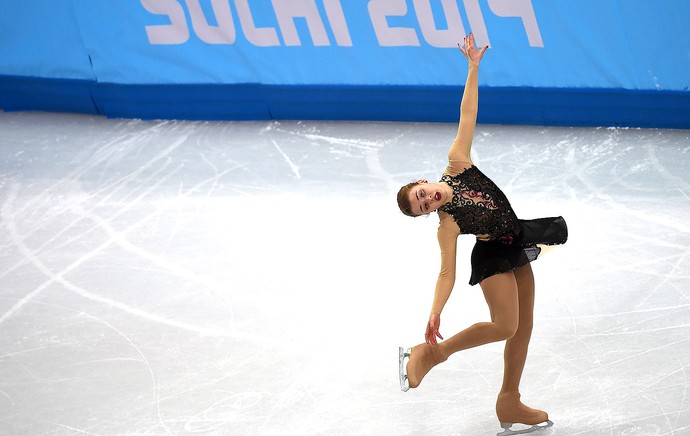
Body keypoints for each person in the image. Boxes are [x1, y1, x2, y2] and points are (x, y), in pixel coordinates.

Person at [396, 34, 567, 436]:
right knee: (506, 326)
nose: (428, 199)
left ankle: (510, 400)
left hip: (517, 242)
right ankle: (432, 354)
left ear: (424, 181)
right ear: (429, 213)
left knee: (524, 328)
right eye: (424, 206)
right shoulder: (448, 224)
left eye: (422, 193)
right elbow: (445, 273)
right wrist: (436, 311)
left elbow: (467, 113)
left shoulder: (457, 163)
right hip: (492, 259)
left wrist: (473, 68)